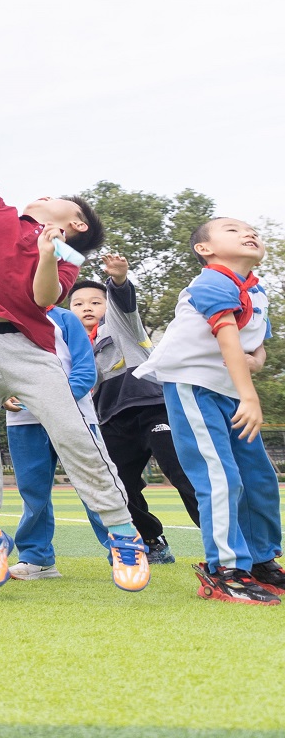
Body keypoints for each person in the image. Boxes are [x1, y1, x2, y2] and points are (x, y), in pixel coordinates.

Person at [0, 71, 144, 591]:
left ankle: (123, 533)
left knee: (75, 437)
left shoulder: (66, 250)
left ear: (74, 223)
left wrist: (49, 254)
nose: (48, 195)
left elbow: (44, 299)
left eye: (64, 201)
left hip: (25, 347)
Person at [136, 218, 282, 604]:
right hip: (195, 386)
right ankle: (225, 569)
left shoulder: (258, 290)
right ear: (205, 249)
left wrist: (257, 364)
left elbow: (257, 345)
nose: (248, 232)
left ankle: (262, 561)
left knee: (260, 479)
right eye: (232, 230)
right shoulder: (212, 280)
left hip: (229, 390)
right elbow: (227, 335)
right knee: (220, 478)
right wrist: (250, 396)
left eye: (251, 229)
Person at [73, 257, 197, 564]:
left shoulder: (118, 325)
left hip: (152, 408)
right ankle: (153, 542)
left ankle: (228, 548)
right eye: (77, 304)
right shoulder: (74, 344)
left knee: (183, 475)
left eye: (95, 301)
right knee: (117, 487)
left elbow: (124, 304)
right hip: (112, 420)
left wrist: (118, 281)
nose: (86, 307)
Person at [3, 305, 110, 579]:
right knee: (33, 493)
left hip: (74, 415)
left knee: (95, 487)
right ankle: (37, 559)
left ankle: (123, 554)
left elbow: (86, 371)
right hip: (23, 421)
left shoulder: (64, 318)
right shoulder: (2, 318)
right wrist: (2, 394)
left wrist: (51, 401)